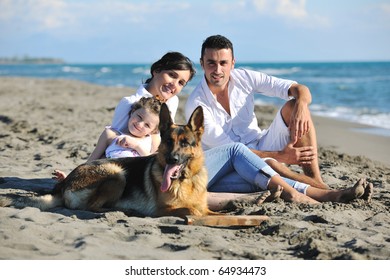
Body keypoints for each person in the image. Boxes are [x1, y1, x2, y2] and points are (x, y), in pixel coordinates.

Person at [185, 34, 328, 190]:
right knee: (273, 164)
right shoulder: (196, 105)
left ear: (232, 63)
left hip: (261, 143)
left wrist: (301, 105)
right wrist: (281, 156)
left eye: (223, 63)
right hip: (231, 163)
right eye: (211, 63)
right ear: (202, 64)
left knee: (294, 106)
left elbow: (299, 88)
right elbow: (235, 152)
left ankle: (314, 178)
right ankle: (323, 190)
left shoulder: (244, 77)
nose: (217, 70)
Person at [205, 143, 373, 210]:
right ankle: (294, 195)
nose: (177, 84)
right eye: (176, 77)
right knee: (235, 149)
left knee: (256, 178)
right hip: (185, 174)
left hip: (203, 178)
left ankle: (332, 195)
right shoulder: (195, 100)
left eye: (182, 82)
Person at [53, 97, 162, 180]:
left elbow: (151, 162)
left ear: (152, 131)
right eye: (139, 117)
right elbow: (91, 161)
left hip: (134, 181)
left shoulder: (149, 141)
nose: (140, 124)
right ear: (133, 111)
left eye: (147, 125)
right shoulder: (111, 134)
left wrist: (136, 145)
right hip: (107, 177)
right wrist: (70, 177)